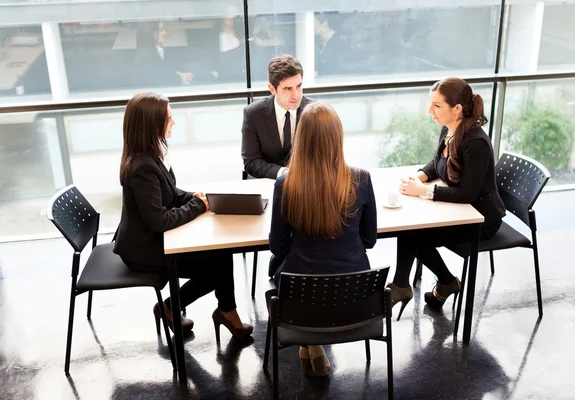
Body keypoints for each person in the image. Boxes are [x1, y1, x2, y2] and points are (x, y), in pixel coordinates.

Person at [113, 92, 252, 341]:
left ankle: (225, 311)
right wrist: (199, 205)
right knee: (214, 268)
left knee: (221, 254)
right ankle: (174, 307)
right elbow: (160, 221)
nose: (174, 123)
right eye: (169, 119)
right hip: (143, 249)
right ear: (151, 125)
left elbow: (170, 193)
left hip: (150, 237)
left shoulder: (152, 154)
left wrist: (193, 197)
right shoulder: (142, 166)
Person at [269, 102, 377, 377]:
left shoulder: (285, 184)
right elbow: (369, 239)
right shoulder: (361, 179)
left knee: (279, 272)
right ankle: (312, 347)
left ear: (301, 139)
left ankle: (311, 344)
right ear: (337, 137)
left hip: (302, 302)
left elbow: (277, 247)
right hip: (355, 298)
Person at [387, 77, 506, 317]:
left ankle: (413, 285)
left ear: (457, 109)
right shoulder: (449, 128)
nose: (429, 111)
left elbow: (467, 194)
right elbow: (435, 163)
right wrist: (419, 177)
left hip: (480, 220)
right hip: (457, 211)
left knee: (414, 233)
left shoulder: (477, 142)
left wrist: (424, 192)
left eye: (436, 106)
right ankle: (437, 282)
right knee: (411, 230)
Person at [241, 54, 312, 180]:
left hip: (308, 182)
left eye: (299, 86)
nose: (296, 95)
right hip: (268, 181)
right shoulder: (253, 114)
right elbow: (251, 162)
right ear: (272, 89)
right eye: (288, 88)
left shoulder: (315, 111)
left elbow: (327, 157)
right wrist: (283, 173)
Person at [133, 21, 194, 88]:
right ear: (152, 34)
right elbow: (152, 78)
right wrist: (179, 78)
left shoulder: (162, 50)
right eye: (161, 30)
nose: (165, 33)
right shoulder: (144, 54)